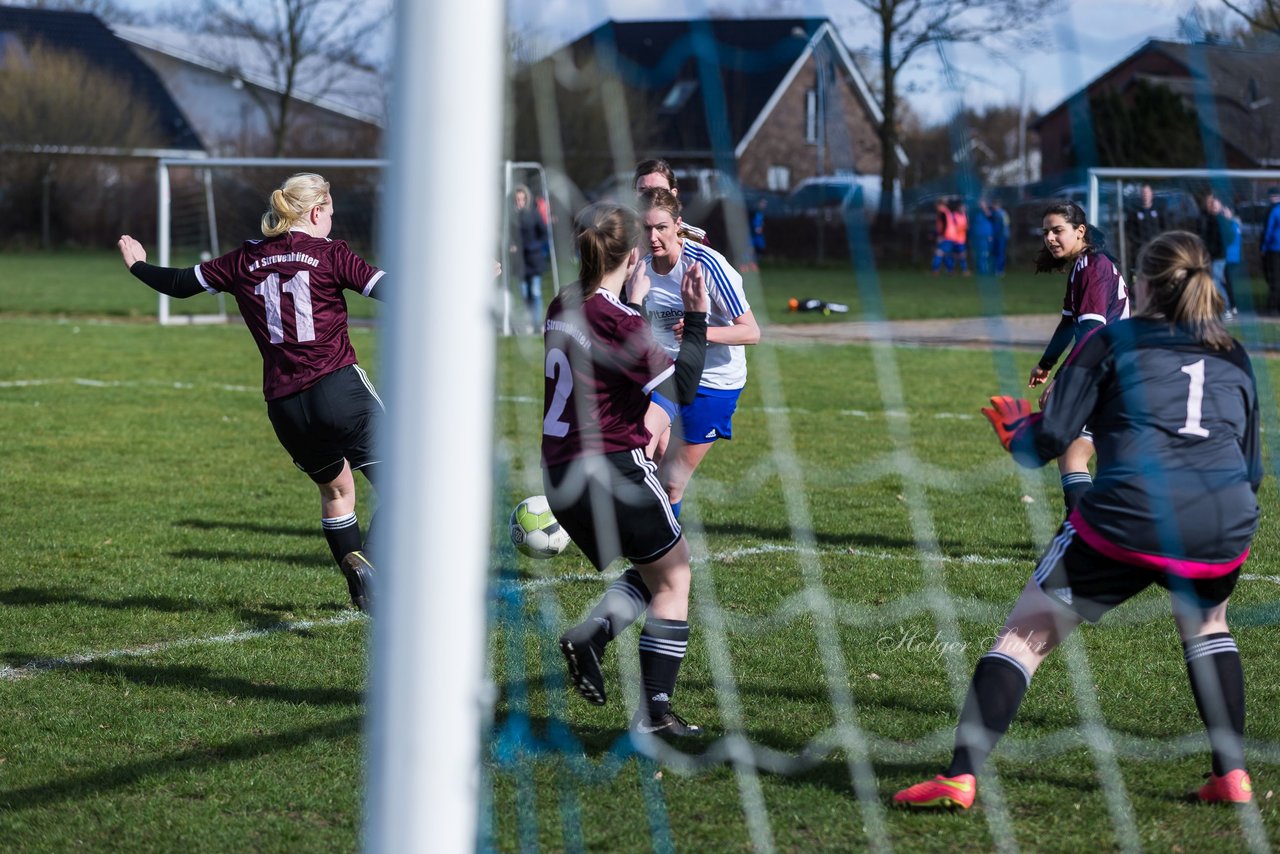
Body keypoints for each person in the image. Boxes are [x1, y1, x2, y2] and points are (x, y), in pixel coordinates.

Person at [895, 230, 1260, 810]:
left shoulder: (1115, 340)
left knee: (1024, 636)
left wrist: (1019, 434)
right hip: (1225, 521)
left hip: (1130, 515)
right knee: (1209, 628)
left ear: (1143, 284)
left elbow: (1055, 438)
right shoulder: (1233, 351)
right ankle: (1233, 774)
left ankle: (960, 776)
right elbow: (1251, 467)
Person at [116, 173, 381, 613]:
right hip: (337, 387)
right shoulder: (331, 253)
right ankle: (372, 562)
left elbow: (181, 284)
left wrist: (138, 266)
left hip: (285, 404)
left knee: (336, 491)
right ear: (316, 212)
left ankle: (362, 593)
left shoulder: (245, 258)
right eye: (330, 212)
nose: (332, 221)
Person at [546, 201, 710, 737]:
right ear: (633, 255)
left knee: (652, 568)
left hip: (560, 477)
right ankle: (655, 715)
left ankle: (594, 635)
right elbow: (680, 388)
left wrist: (630, 304)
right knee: (676, 575)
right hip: (613, 469)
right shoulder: (621, 324)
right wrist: (698, 317)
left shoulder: (560, 303)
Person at [636, 187, 760, 520]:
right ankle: (646, 556)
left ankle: (665, 563)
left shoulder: (706, 265)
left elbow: (751, 332)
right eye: (646, 228)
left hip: (714, 383)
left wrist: (698, 330)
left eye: (661, 227)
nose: (653, 236)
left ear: (678, 225)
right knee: (636, 463)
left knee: (671, 484)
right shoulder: (642, 269)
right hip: (667, 378)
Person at [1027, 201, 1129, 514]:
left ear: (1080, 231)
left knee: (1073, 454)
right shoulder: (1084, 267)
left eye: (1058, 230)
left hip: (1106, 371)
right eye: (1046, 232)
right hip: (1117, 370)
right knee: (1093, 456)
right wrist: (1046, 365)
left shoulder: (1092, 267)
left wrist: (1062, 379)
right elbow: (1069, 324)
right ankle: (1098, 533)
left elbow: (1090, 333)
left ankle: (1084, 537)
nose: (1050, 238)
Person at [633, 159, 708, 244]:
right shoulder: (619, 233)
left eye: (660, 189)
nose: (652, 195)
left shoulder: (696, 238)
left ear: (673, 194)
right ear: (634, 194)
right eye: (643, 190)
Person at [508, 184, 549, 333]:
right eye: (517, 199)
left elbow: (544, 234)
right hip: (519, 261)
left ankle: (537, 323)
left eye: (522, 199)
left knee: (535, 292)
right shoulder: (511, 216)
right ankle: (527, 323)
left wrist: (534, 246)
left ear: (526, 199)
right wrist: (512, 245)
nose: (519, 202)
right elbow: (507, 236)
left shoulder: (534, 214)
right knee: (524, 294)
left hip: (534, 258)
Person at [1124, 183, 1163, 279]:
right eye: (1143, 193)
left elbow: (1164, 228)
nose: (1145, 195)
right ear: (1140, 195)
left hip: (1155, 248)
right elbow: (1129, 231)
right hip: (1139, 249)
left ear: (1151, 194)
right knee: (1139, 271)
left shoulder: (1159, 210)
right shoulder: (1134, 212)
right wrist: (1137, 243)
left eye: (1147, 193)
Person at [1260, 186, 1280, 314]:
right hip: (1274, 248)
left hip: (1274, 249)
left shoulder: (1273, 211)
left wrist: (1263, 247)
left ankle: (1273, 307)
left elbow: (1268, 231)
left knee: (1274, 278)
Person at [971, 198, 995, 276]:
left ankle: (985, 269)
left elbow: (990, 218)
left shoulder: (988, 213)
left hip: (986, 237)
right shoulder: (975, 213)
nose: (981, 205)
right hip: (978, 237)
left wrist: (990, 235)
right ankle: (981, 270)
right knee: (980, 254)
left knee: (985, 253)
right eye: (980, 203)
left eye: (983, 203)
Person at [990, 197, 1010, 278]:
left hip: (999, 236)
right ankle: (999, 270)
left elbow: (998, 227)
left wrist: (992, 235)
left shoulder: (998, 214)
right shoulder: (1004, 213)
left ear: (997, 205)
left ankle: (998, 270)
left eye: (993, 205)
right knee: (999, 253)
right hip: (1004, 235)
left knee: (998, 253)